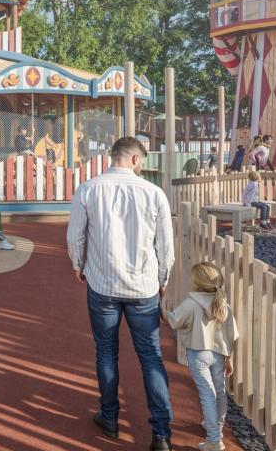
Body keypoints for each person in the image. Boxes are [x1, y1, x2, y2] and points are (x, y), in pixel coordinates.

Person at [67, 137, 175, 450]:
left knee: (105, 351)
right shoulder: (154, 193)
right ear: (136, 159)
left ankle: (110, 416)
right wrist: (163, 278)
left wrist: (79, 263)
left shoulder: (89, 189)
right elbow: (165, 245)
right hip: (143, 286)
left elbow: (76, 234)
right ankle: (161, 433)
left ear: (112, 156)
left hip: (103, 283)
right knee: (151, 356)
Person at [165, 263, 239, 451]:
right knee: (219, 392)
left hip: (198, 354)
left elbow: (174, 321)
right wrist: (229, 358)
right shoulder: (223, 303)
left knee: (207, 393)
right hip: (219, 353)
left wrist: (163, 306)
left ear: (196, 282)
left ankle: (214, 440)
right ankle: (215, 428)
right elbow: (232, 334)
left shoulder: (191, 303)